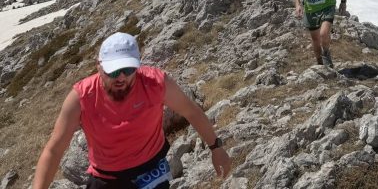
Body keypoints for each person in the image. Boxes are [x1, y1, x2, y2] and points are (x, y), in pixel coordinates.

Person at [32, 32, 231, 189]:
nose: (121, 77)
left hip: (152, 173)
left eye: (128, 70)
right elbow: (54, 149)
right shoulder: (82, 97)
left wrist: (216, 148)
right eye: (113, 71)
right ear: (99, 66)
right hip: (106, 180)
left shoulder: (155, 83)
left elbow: (191, 111)